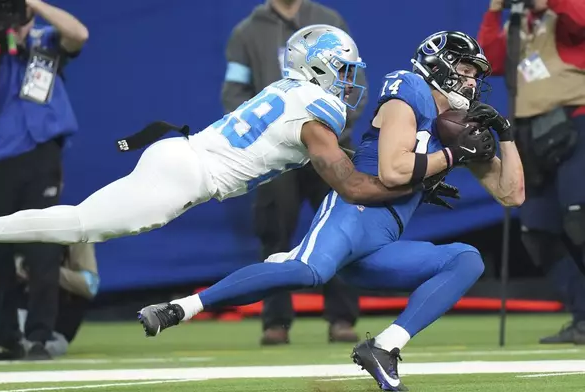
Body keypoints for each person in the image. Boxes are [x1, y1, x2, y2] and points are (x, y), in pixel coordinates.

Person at [136, 31, 525, 391]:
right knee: (309, 272)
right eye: (465, 70)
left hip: (383, 239)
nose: (473, 81)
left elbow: (512, 195)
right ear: (437, 64)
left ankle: (385, 347)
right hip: (353, 215)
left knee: (465, 259)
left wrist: (504, 134)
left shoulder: (459, 128)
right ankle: (178, 308)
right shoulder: (410, 89)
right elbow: (392, 171)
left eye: (476, 74)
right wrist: (453, 155)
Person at [0, 25, 450, 271]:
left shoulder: (293, 91)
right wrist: (433, 166)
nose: (349, 81)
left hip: (181, 157)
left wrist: (414, 175)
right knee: (79, 225)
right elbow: (354, 186)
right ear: (318, 67)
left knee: (81, 222)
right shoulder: (316, 113)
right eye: (343, 70)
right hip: (188, 174)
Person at [222, 0, 365, 345]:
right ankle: (276, 321)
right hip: (277, 153)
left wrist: (330, 129)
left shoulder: (330, 21)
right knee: (274, 234)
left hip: (328, 144)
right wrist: (263, 130)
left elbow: (355, 81)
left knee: (340, 229)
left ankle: (342, 318)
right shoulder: (246, 32)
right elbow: (234, 92)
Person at [0, 0, 88, 359]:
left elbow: (80, 34)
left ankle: (38, 338)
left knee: (43, 249)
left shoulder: (47, 41)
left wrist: (33, 3)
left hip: (41, 157)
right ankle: (6, 339)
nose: (13, 13)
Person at [478, 0, 585, 345]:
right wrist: (496, 12)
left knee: (579, 220)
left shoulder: (564, 13)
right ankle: (583, 316)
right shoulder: (517, 24)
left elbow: (581, 21)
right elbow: (489, 61)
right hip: (532, 134)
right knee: (537, 232)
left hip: (575, 122)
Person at [0, 243, 98, 360]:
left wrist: (43, 270)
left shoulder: (71, 235)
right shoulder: (14, 233)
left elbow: (91, 285)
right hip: (14, 318)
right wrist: (6, 269)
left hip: (52, 333)